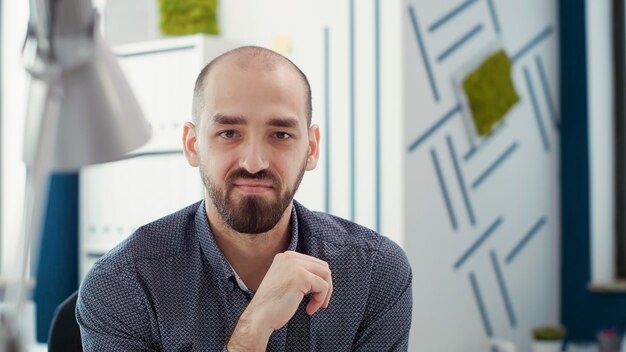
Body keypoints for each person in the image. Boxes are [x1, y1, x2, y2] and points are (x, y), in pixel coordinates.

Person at [76, 46, 413, 351]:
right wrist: (253, 330)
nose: (254, 162)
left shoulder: (374, 273)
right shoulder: (123, 285)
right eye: (228, 133)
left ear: (311, 149)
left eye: (280, 134)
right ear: (193, 145)